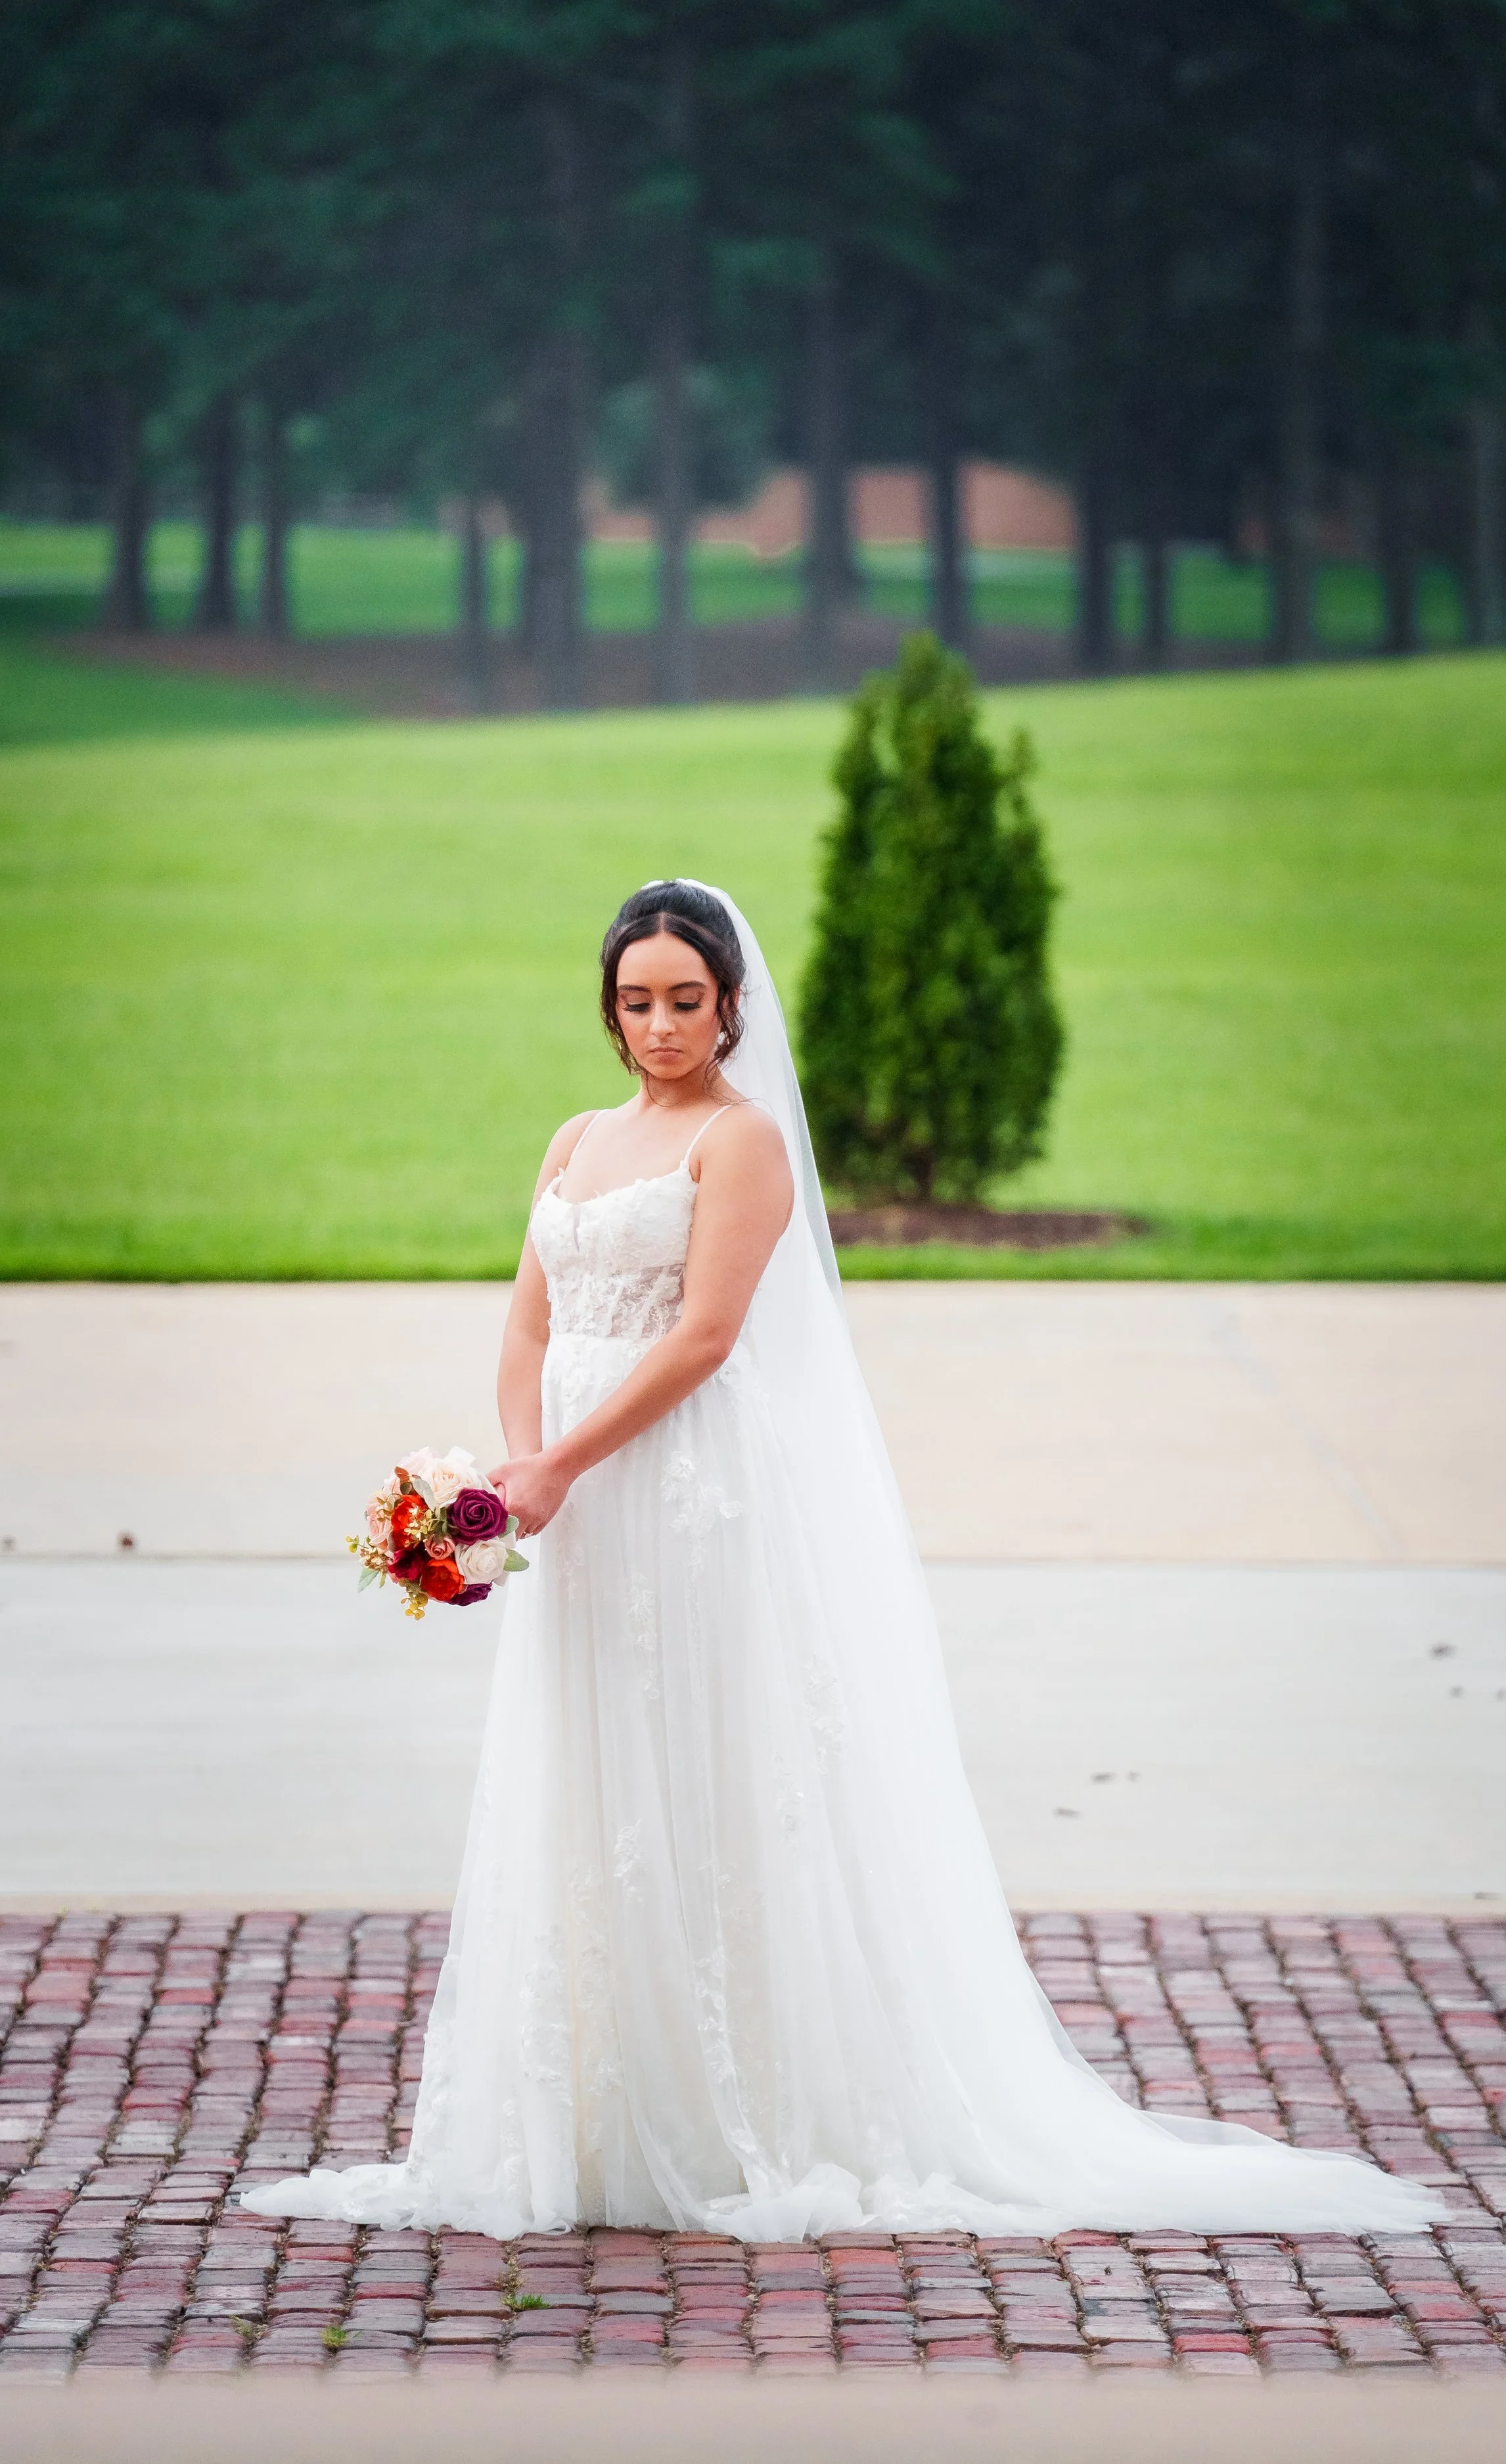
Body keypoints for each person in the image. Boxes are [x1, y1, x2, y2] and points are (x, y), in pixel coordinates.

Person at [243, 881, 1444, 2240]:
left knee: (694, 1761)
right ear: (605, 1007)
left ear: (729, 1004)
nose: (658, 1027)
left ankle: (730, 2106)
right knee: (585, 1771)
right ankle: (590, 2107)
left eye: (683, 1001)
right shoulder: (574, 1140)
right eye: (634, 1002)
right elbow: (527, 1325)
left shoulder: (742, 1143)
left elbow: (701, 1339)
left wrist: (565, 1465)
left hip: (679, 1488)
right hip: (571, 1509)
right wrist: (513, 1481)